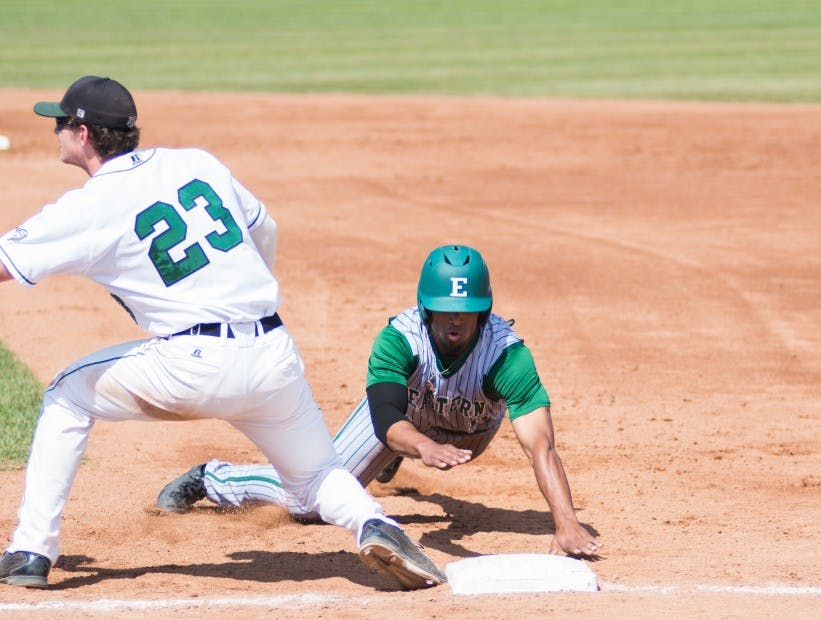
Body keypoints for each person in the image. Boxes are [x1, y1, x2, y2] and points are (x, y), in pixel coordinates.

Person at [0, 75, 445, 590]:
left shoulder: (89, 205)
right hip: (272, 354)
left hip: (189, 366)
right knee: (317, 474)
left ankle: (31, 549)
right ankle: (376, 524)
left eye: (60, 122)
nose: (55, 130)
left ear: (83, 133)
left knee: (66, 394)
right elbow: (264, 226)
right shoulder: (196, 163)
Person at [158, 244, 604, 559]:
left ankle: (397, 454)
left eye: (466, 310)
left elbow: (540, 445)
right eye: (444, 308)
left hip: (466, 435)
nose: (455, 319)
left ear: (483, 311)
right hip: (399, 420)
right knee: (310, 503)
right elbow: (386, 414)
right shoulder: (399, 339)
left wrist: (566, 522)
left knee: (409, 445)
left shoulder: (507, 355)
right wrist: (422, 446)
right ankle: (212, 479)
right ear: (425, 307)